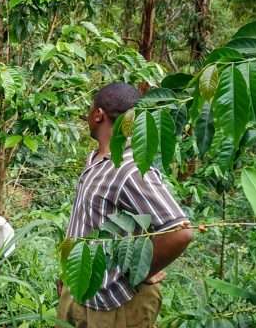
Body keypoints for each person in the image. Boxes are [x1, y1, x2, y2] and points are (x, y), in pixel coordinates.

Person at [58, 83, 193, 328]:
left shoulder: (130, 169)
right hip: (85, 297)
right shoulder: (98, 160)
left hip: (115, 307)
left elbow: (179, 232)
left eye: (90, 110)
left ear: (98, 114)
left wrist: (138, 272)